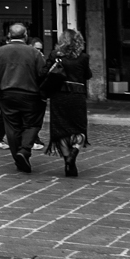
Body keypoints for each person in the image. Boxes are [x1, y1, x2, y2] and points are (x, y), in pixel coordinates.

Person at [0, 22, 48, 173]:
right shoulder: (34, 53)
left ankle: (18, 157)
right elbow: (43, 74)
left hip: (7, 94)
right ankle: (25, 150)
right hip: (30, 94)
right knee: (32, 124)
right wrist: (43, 94)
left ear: (9, 35)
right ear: (25, 35)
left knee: (12, 127)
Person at [44, 29, 91, 177]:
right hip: (77, 96)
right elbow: (88, 74)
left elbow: (45, 71)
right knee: (80, 128)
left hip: (59, 96)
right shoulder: (83, 57)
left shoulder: (54, 55)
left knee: (61, 130)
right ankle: (74, 151)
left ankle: (67, 161)